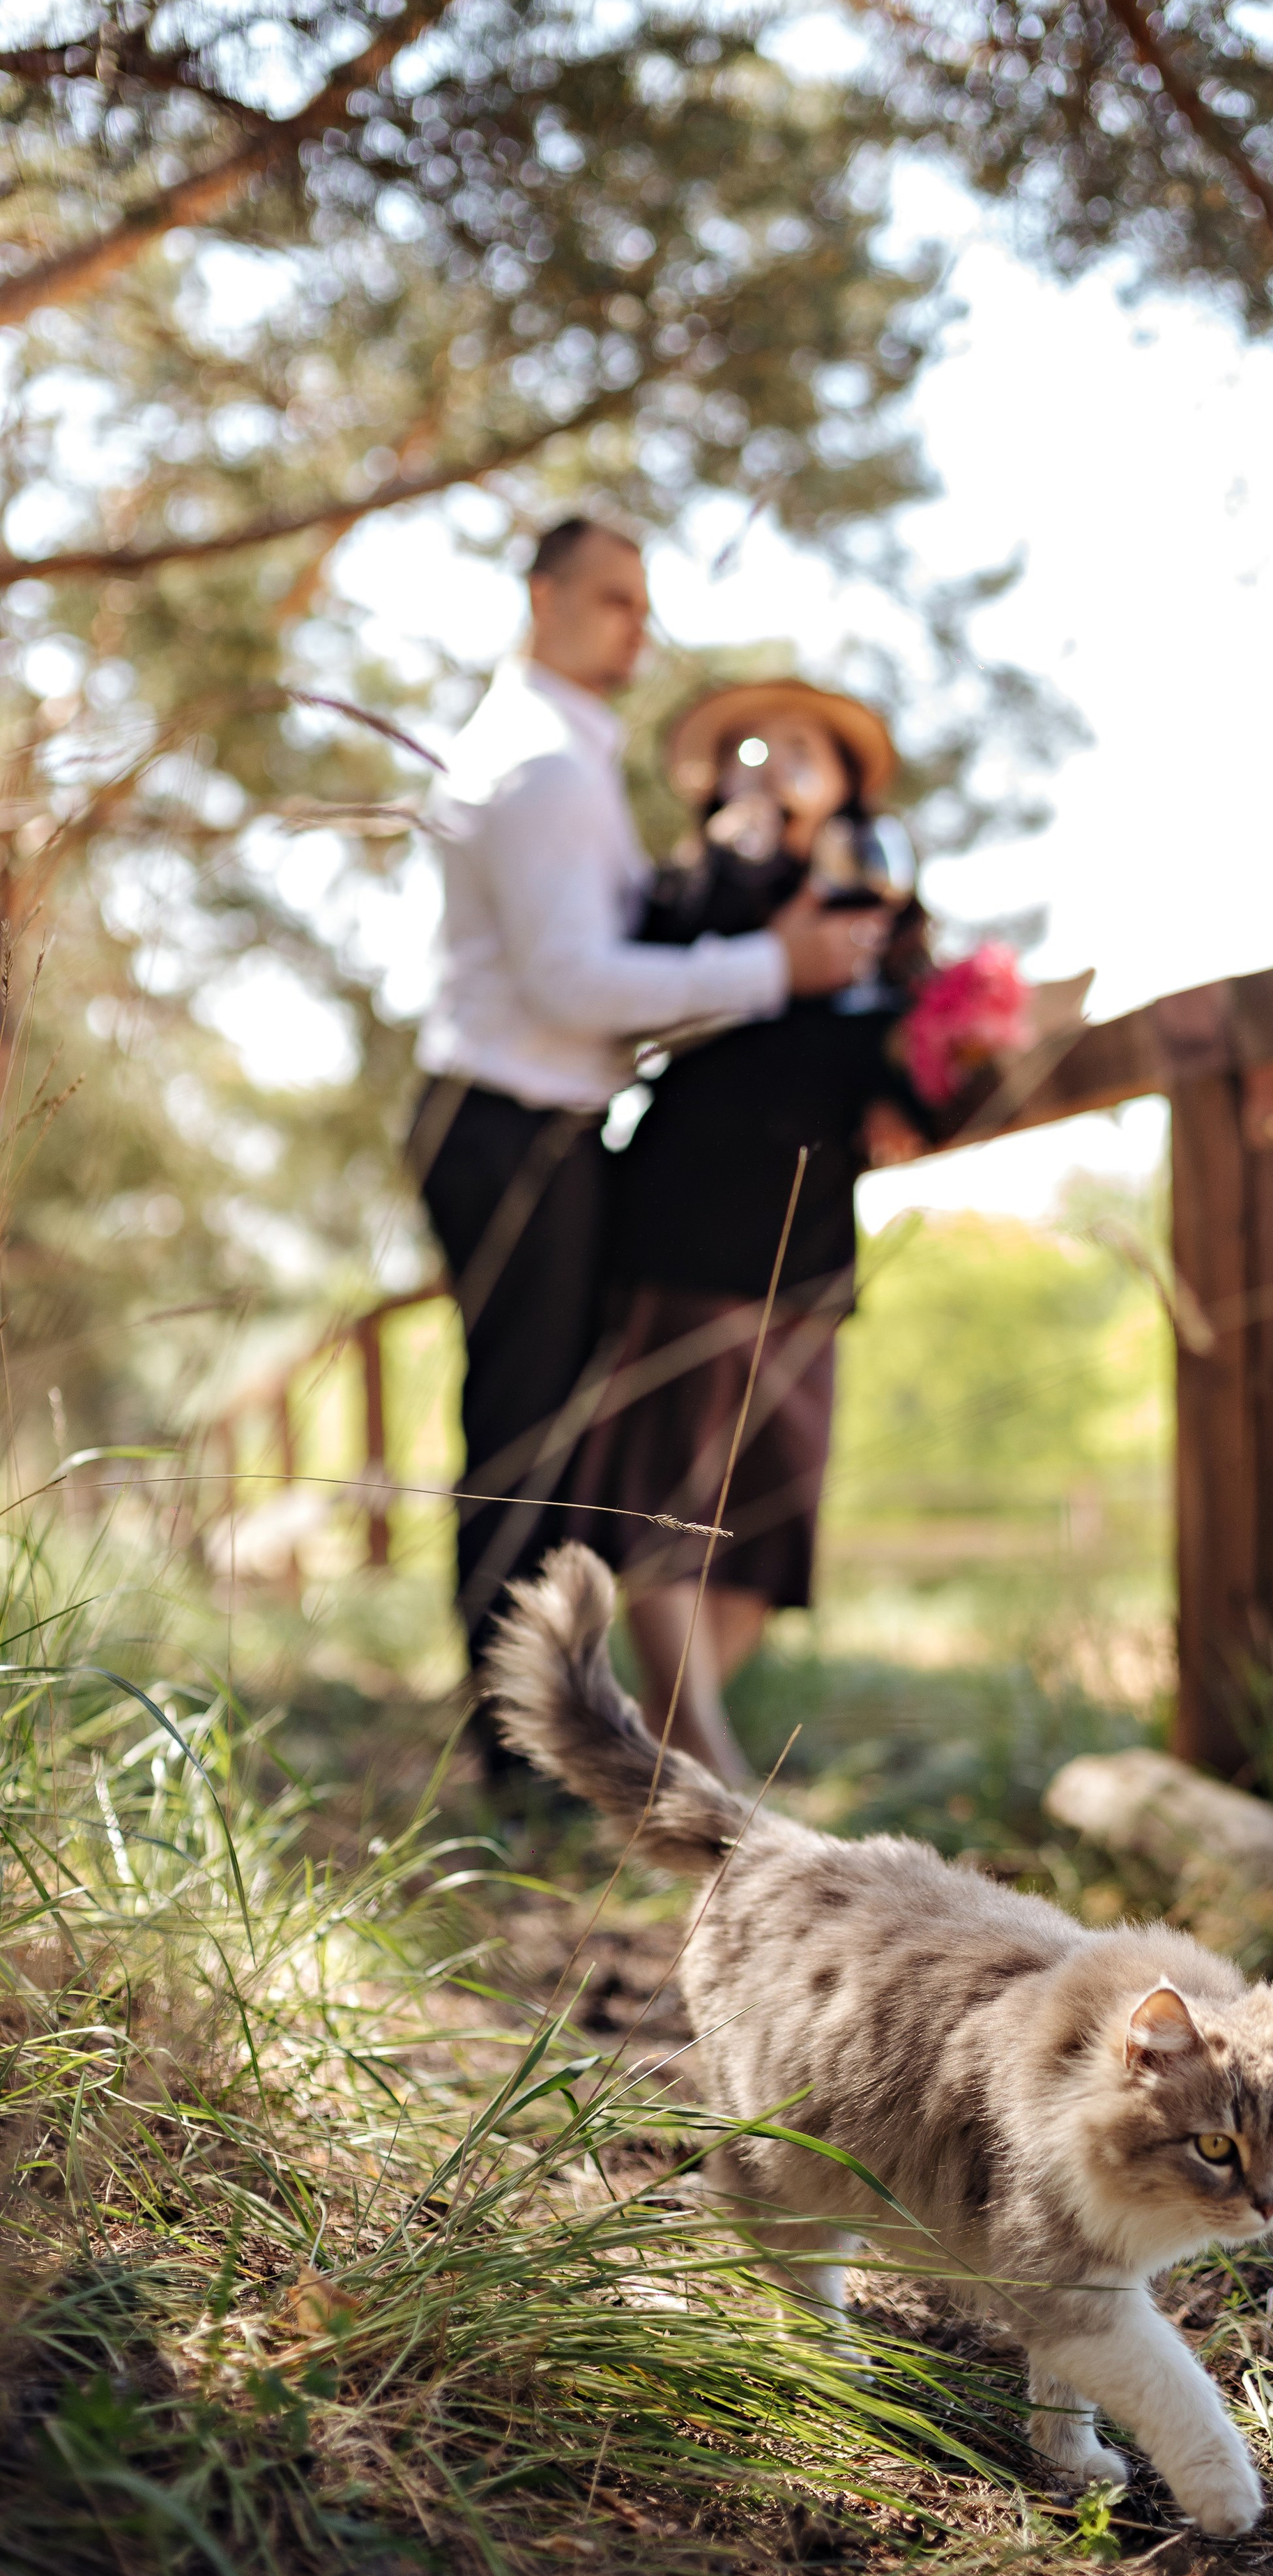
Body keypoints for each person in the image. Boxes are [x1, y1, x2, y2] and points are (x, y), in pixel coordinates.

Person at [410, 521, 878, 1785]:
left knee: (546, 1448)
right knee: (525, 1448)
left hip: (543, 1130)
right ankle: (515, 1761)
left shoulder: (566, 756)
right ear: (544, 597)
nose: (638, 625)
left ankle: (537, 1745)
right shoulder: (541, 766)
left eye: (644, 601)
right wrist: (775, 966)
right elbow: (573, 984)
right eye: (614, 598)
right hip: (513, 1125)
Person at [570, 678, 930, 1785]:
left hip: (808, 1245)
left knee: (765, 1527)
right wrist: (734, 875)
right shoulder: (692, 893)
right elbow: (633, 998)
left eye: (801, 746)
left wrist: (914, 1094)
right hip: (687, 1222)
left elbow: (910, 1064)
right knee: (663, 1508)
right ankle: (710, 1780)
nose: (774, 762)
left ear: (847, 781)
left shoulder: (888, 905)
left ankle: (656, 1759)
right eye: (750, 748)